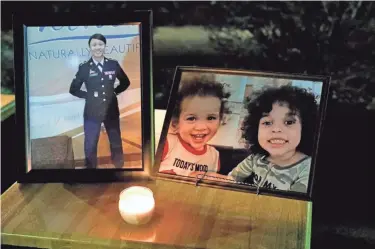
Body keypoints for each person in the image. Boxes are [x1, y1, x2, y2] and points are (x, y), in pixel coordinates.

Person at [228, 85, 318, 193]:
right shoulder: (255, 159)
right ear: (256, 129)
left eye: (289, 122)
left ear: (305, 127)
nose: (276, 129)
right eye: (267, 122)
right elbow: (232, 179)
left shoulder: (307, 169)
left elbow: (296, 206)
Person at [69, 33, 130, 168]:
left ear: (105, 46)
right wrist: (88, 96)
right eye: (94, 45)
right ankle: (91, 170)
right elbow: (73, 89)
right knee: (90, 143)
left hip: (111, 110)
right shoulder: (84, 67)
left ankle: (119, 168)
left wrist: (115, 91)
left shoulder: (113, 64)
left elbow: (125, 82)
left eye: (100, 44)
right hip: (92, 111)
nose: (98, 47)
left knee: (115, 141)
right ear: (90, 48)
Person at [158, 78, 230, 176]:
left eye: (211, 117)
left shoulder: (214, 156)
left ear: (220, 119)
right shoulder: (167, 144)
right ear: (176, 122)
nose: (201, 127)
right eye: (191, 118)